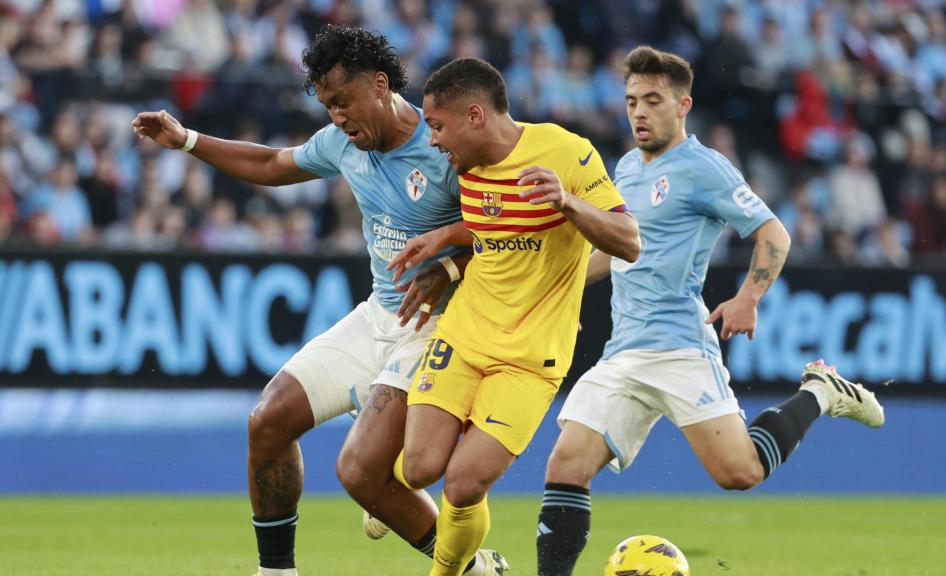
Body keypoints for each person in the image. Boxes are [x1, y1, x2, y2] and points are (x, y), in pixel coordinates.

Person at [132, 26, 506, 576]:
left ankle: (471, 569)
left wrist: (449, 266)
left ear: (380, 85)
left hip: (439, 327)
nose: (336, 117)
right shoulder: (341, 145)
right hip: (381, 314)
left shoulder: (443, 144)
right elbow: (270, 165)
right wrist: (187, 140)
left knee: (359, 474)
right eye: (328, 105)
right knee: (268, 420)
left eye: (342, 101)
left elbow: (504, 233)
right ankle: (276, 571)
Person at [533, 46, 887, 576]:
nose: (639, 112)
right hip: (623, 353)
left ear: (683, 105)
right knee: (565, 464)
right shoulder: (626, 167)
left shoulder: (704, 169)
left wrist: (748, 297)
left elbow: (774, 232)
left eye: (653, 100)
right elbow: (614, 250)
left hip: (679, 345)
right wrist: (561, 289)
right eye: (632, 101)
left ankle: (820, 392)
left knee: (739, 472)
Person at [385, 57, 641, 576]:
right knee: (417, 469)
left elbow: (629, 242)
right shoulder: (465, 165)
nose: (433, 141)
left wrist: (568, 203)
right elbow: (492, 228)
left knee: (462, 483)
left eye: (438, 126)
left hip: (530, 359)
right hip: (465, 334)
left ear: (475, 116)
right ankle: (409, 470)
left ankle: (450, 571)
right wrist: (449, 238)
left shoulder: (567, 154)